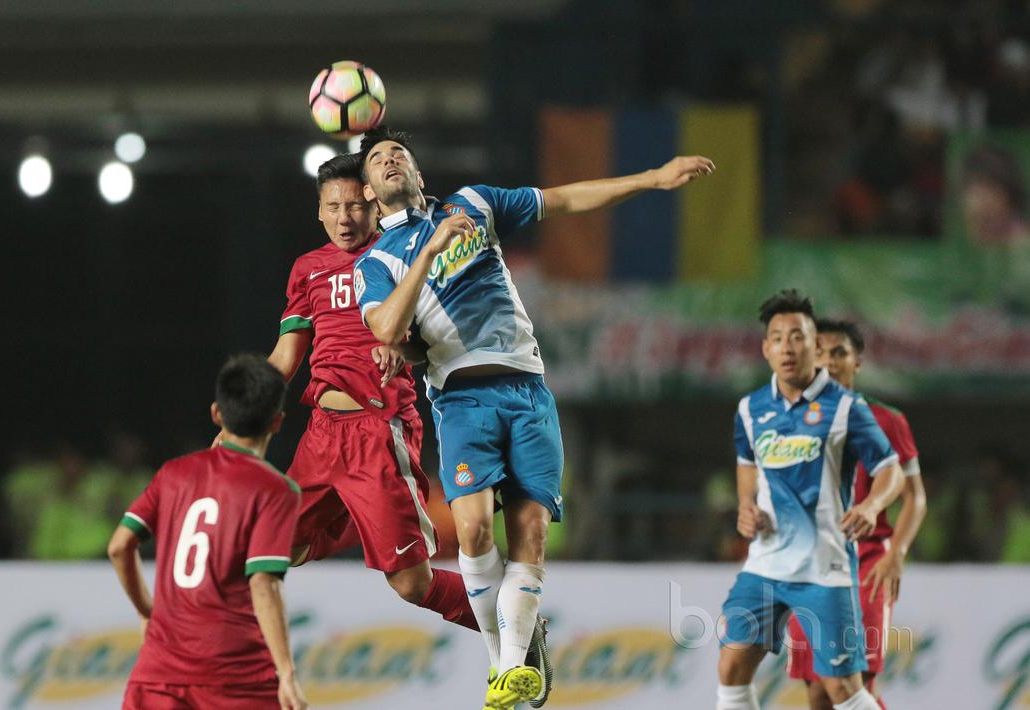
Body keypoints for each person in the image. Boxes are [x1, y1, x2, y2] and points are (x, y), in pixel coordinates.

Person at [352, 125, 714, 709]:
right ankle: (506, 661)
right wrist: (432, 248)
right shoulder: (376, 262)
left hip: (526, 387)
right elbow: (387, 328)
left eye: (399, 154)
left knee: (530, 535)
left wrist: (652, 178)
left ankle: (510, 673)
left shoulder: (474, 204)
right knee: (470, 530)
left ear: (420, 175)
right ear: (369, 191)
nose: (390, 160)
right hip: (462, 396)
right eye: (377, 160)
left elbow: (565, 199)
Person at [258, 151, 486, 636]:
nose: (344, 218)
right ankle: (357, 516)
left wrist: (404, 350)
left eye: (354, 206)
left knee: (411, 584)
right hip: (321, 435)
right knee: (271, 551)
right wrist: (241, 419)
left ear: (373, 203)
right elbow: (284, 359)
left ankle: (517, 625)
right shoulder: (307, 269)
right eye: (332, 207)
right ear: (318, 211)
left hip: (378, 432)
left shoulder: (398, 254)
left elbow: (440, 335)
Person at [717, 290, 906, 710]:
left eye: (798, 336)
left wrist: (872, 506)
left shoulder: (845, 408)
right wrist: (747, 505)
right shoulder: (751, 408)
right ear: (766, 348)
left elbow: (891, 471)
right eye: (778, 337)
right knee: (731, 668)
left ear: (813, 346)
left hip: (824, 568)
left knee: (839, 689)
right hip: (766, 563)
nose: (788, 346)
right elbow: (747, 462)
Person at [108, 354, 307, 710]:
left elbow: (120, 546)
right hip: (236, 676)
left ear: (217, 413)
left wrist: (147, 611)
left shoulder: (173, 474)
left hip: (159, 676)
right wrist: (287, 672)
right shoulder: (275, 490)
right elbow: (263, 582)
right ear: (277, 422)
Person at [785, 319, 928, 709]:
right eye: (820, 353)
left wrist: (896, 554)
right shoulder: (792, 421)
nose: (829, 362)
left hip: (865, 562)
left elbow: (915, 497)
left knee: (852, 683)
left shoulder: (886, 421)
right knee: (816, 690)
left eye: (839, 353)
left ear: (857, 363)